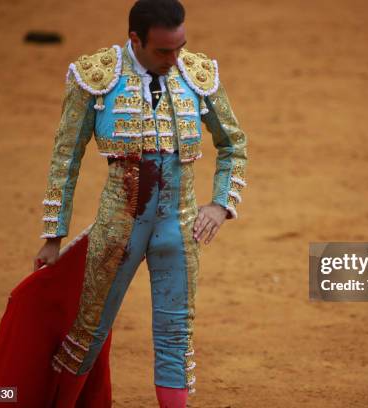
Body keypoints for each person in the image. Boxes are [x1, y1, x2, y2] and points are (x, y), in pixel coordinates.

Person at [29, 0, 248, 405]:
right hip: (118, 228)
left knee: (176, 338)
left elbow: (234, 144)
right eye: (164, 51)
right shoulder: (95, 78)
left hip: (178, 228)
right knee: (87, 333)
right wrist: (52, 235)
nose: (175, 59)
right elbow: (66, 157)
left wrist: (220, 204)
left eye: (180, 47)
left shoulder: (197, 75)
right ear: (136, 40)